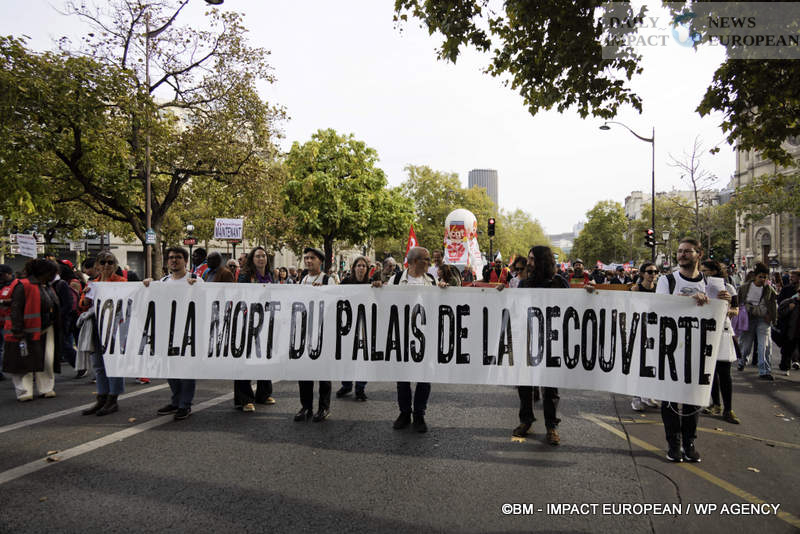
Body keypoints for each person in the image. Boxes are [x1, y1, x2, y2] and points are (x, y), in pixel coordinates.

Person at [655, 238, 710, 462]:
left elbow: (723, 313)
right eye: (679, 251)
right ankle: (673, 443)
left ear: (699, 254)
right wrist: (689, 299)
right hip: (671, 348)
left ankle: (689, 442)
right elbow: (660, 306)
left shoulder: (710, 283)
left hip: (699, 349)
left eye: (687, 251)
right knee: (670, 399)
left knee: (692, 399)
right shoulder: (667, 281)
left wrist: (725, 302)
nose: (682, 255)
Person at [372, 247, 437, 433]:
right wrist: (378, 290)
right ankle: (405, 412)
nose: (429, 263)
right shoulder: (396, 279)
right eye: (426, 259)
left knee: (424, 377)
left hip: (425, 335)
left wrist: (444, 290)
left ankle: (419, 414)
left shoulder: (431, 281)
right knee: (402, 377)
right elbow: (385, 304)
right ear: (415, 261)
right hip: (402, 334)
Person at [511, 246, 567, 446]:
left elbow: (572, 306)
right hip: (528, 339)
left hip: (551, 341)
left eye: (533, 259)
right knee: (525, 385)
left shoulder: (559, 283)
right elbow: (516, 308)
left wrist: (589, 294)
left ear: (543, 260)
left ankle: (551, 426)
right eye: (529, 259)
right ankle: (526, 420)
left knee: (550, 387)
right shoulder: (525, 283)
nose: (529, 263)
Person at [143, 247, 203, 420]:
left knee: (186, 369)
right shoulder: (163, 281)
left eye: (178, 257)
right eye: (170, 257)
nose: (174, 260)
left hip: (188, 331)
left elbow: (205, 301)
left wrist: (197, 288)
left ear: (185, 261)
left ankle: (185, 404)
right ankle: (176, 401)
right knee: (170, 368)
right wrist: (148, 286)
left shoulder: (195, 279)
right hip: (167, 331)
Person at [2, 259, 61, 401]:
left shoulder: (46, 285)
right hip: (25, 329)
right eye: (52, 273)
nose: (54, 276)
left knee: (46, 360)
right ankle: (24, 391)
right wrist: (17, 329)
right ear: (43, 272)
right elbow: (16, 308)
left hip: (46, 327)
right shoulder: (24, 285)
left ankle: (46, 388)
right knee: (23, 362)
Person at [79, 251, 127, 415]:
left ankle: (113, 399)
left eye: (110, 262)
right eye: (103, 262)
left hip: (114, 328)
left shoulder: (122, 282)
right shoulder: (93, 284)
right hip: (96, 327)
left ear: (115, 265)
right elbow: (82, 304)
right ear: (97, 266)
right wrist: (86, 297)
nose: (107, 265)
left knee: (113, 363)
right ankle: (102, 397)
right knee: (99, 365)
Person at [295, 247, 336, 422]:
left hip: (323, 332)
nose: (308, 261)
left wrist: (323, 293)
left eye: (312, 258)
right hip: (305, 332)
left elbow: (335, 302)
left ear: (320, 261)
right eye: (306, 258)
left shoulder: (328, 280)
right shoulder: (302, 279)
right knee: (304, 372)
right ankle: (306, 407)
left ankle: (323, 407)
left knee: (323, 372)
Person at [234, 246, 276, 412]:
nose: (261, 258)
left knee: (264, 357)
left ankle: (263, 394)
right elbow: (239, 296)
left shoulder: (270, 276)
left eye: (263, 256)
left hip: (266, 321)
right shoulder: (245, 276)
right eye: (257, 256)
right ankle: (244, 398)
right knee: (245, 360)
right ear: (252, 259)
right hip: (248, 321)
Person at [699, 260, 740, 424]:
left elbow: (735, 311)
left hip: (722, 331)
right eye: (702, 271)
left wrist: (727, 304)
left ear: (715, 271)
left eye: (706, 271)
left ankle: (728, 409)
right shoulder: (700, 287)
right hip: (705, 331)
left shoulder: (729, 288)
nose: (704, 274)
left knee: (724, 372)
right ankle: (715, 403)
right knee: (710, 371)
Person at [336, 256, 371, 401]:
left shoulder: (371, 284)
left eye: (364, 266)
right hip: (347, 324)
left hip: (365, 325)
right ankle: (346, 384)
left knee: (362, 358)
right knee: (347, 356)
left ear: (367, 269)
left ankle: (360, 388)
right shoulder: (345, 282)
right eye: (359, 265)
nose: (361, 268)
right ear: (354, 268)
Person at [737, 262, 777, 380]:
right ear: (755, 276)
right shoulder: (744, 288)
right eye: (760, 276)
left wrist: (772, 317)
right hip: (748, 318)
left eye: (765, 277)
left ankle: (764, 371)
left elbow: (773, 304)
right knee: (746, 344)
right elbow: (739, 302)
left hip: (763, 319)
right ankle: (741, 361)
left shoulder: (769, 289)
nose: (763, 279)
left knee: (764, 345)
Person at [629, 262, 660, 411]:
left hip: (655, 330)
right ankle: (636, 397)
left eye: (655, 271)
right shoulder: (636, 289)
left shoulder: (660, 289)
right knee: (639, 364)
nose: (653, 274)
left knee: (652, 364)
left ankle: (647, 396)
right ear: (642, 274)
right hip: (640, 330)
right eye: (649, 271)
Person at [0, 264, 15, 380]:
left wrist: (3, 302)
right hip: (4, 322)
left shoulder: (15, 285)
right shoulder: (3, 285)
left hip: (9, 322)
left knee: (10, 347)